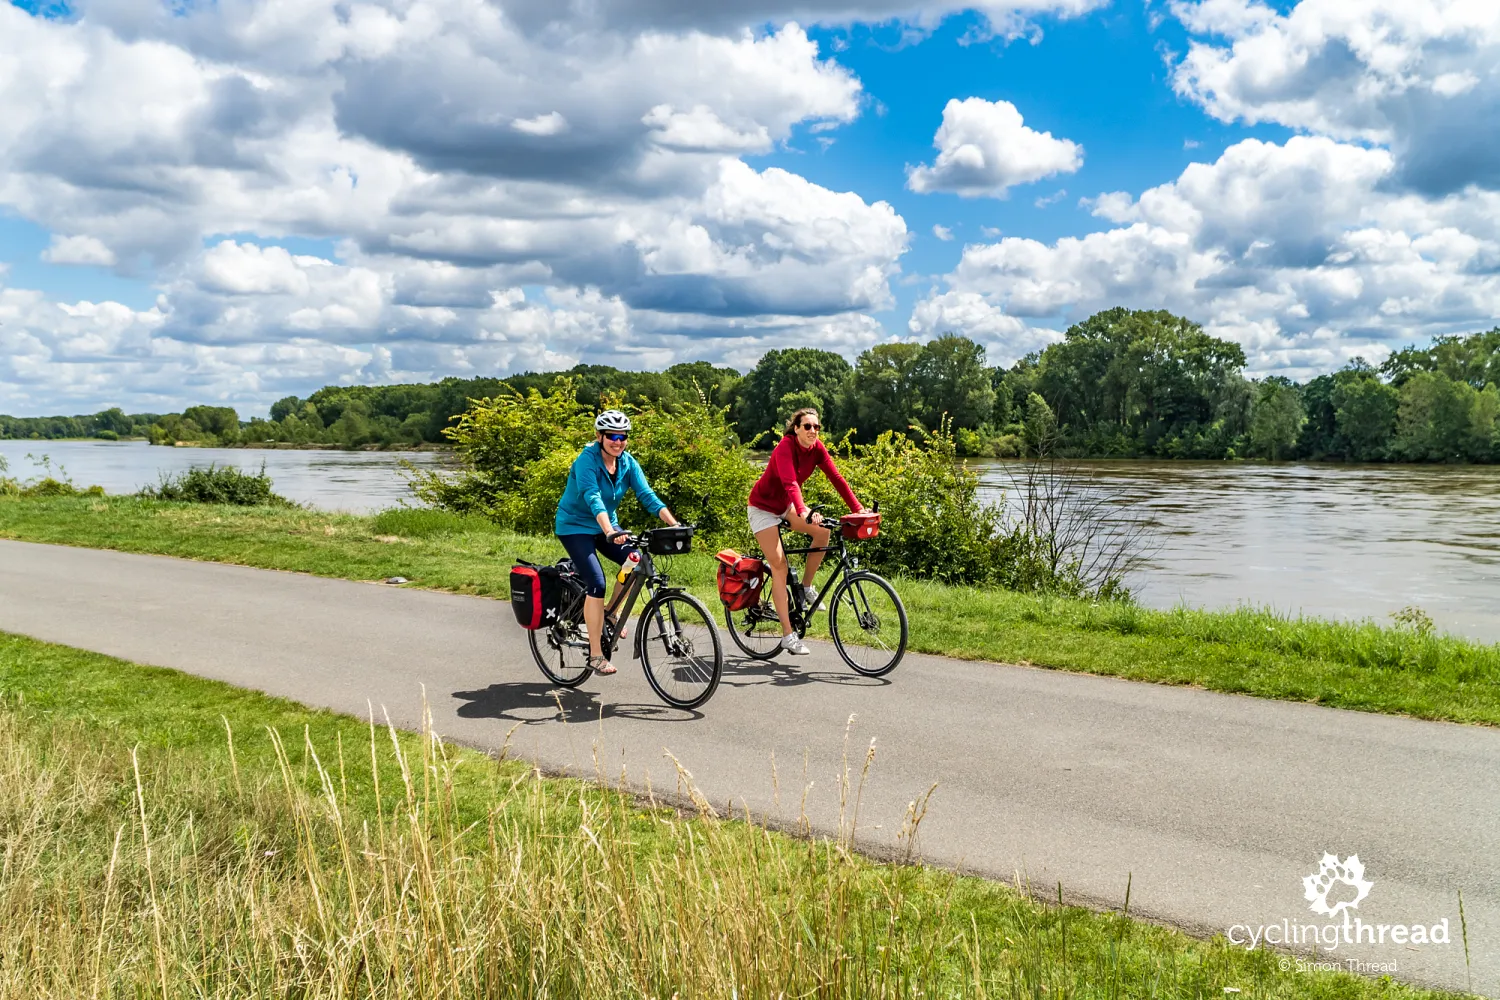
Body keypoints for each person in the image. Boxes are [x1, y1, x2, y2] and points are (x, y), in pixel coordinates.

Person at [555, 410, 678, 675]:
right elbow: (592, 497)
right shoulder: (586, 461)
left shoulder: (627, 463)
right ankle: (596, 655)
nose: (617, 441)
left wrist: (674, 525)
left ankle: (610, 612)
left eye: (622, 436)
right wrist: (610, 530)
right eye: (612, 436)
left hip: (606, 526)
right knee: (596, 582)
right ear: (599, 436)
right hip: (575, 526)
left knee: (634, 561)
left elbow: (648, 495)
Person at [746, 407, 865, 655]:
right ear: (796, 428)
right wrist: (803, 510)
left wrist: (858, 508)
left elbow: (836, 477)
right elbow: (790, 483)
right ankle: (788, 636)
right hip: (762, 509)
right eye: (808, 426)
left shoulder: (817, 449)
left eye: (817, 427)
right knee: (779, 568)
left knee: (822, 532)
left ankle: (807, 587)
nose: (813, 431)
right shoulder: (785, 448)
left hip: (785, 506)